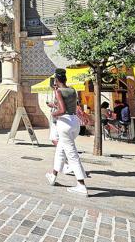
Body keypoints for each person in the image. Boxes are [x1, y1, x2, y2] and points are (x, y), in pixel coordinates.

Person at [45, 68, 88, 197]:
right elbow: (69, 105)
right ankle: (53, 175)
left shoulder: (58, 91)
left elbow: (62, 110)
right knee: (60, 149)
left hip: (65, 123)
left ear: (56, 80)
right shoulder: (72, 90)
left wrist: (53, 113)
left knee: (72, 154)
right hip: (74, 122)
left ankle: (81, 185)